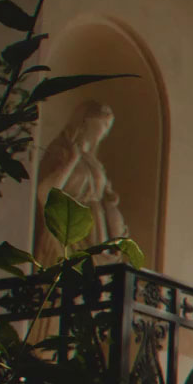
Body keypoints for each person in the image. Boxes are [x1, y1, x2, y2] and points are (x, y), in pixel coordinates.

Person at [34, 100, 129, 265]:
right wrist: (71, 161)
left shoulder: (95, 163)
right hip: (67, 225)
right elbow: (46, 194)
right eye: (105, 124)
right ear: (87, 120)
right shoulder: (60, 151)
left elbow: (106, 199)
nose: (106, 132)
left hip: (95, 229)